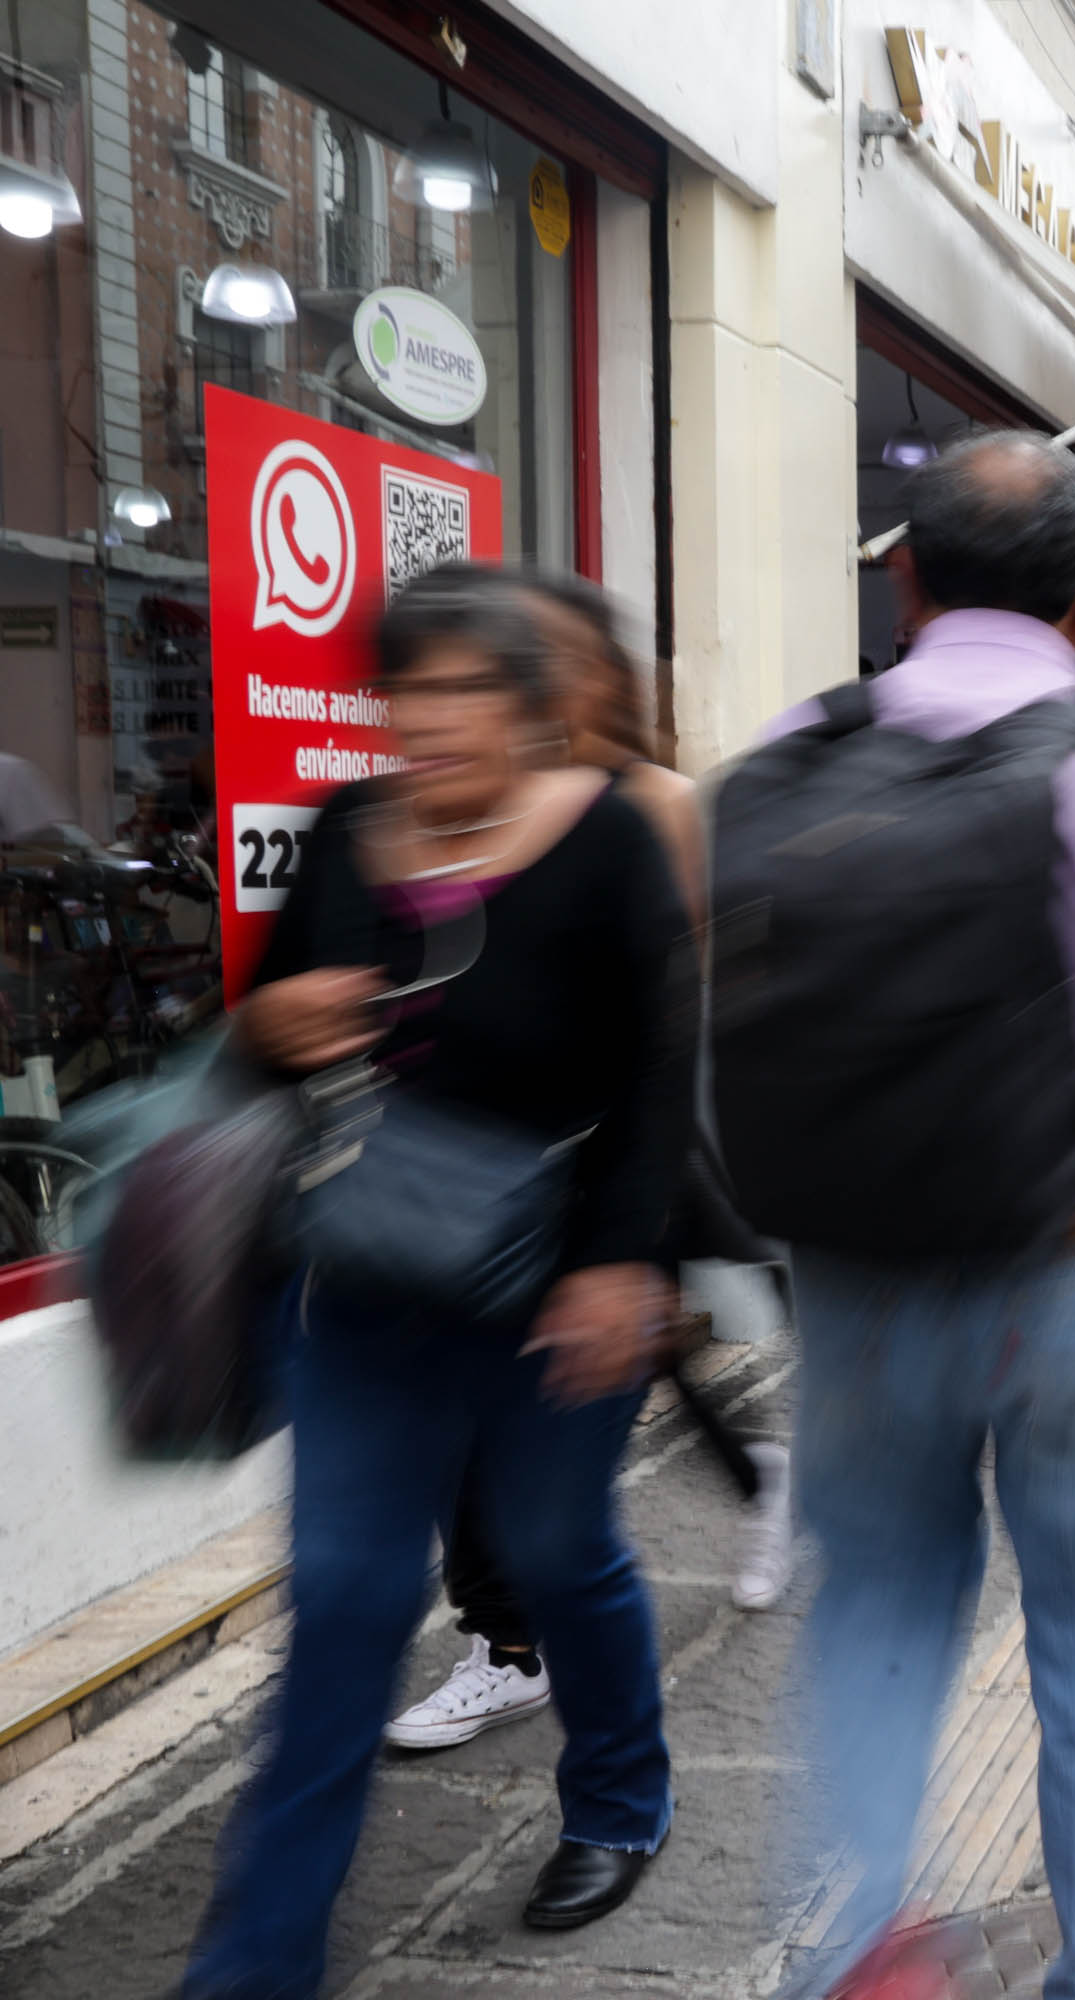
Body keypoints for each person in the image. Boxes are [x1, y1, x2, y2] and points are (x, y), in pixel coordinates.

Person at [184, 564, 689, 1997]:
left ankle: (618, 1803)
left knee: (552, 1551)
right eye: (412, 686)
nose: (437, 716)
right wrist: (274, 1021)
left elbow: (661, 1078)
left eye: (472, 687)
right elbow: (256, 1040)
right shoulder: (347, 829)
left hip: (551, 1293)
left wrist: (617, 1270)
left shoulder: (607, 843)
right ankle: (257, 1960)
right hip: (365, 1288)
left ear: (535, 708)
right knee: (344, 1600)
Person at [744, 433, 1075, 2000]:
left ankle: (853, 1948)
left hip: (848, 1271)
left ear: (903, 576)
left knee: (880, 1608)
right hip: (1068, 1275)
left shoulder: (797, 742)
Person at [381, 574, 795, 1756]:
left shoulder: (647, 802)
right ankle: (525, 1634)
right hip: (485, 1182)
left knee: (580, 1425)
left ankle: (535, 1649)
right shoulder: (469, 802)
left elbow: (697, 979)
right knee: (543, 1417)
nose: (519, 680)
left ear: (596, 674)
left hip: (618, 1154)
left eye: (538, 658)